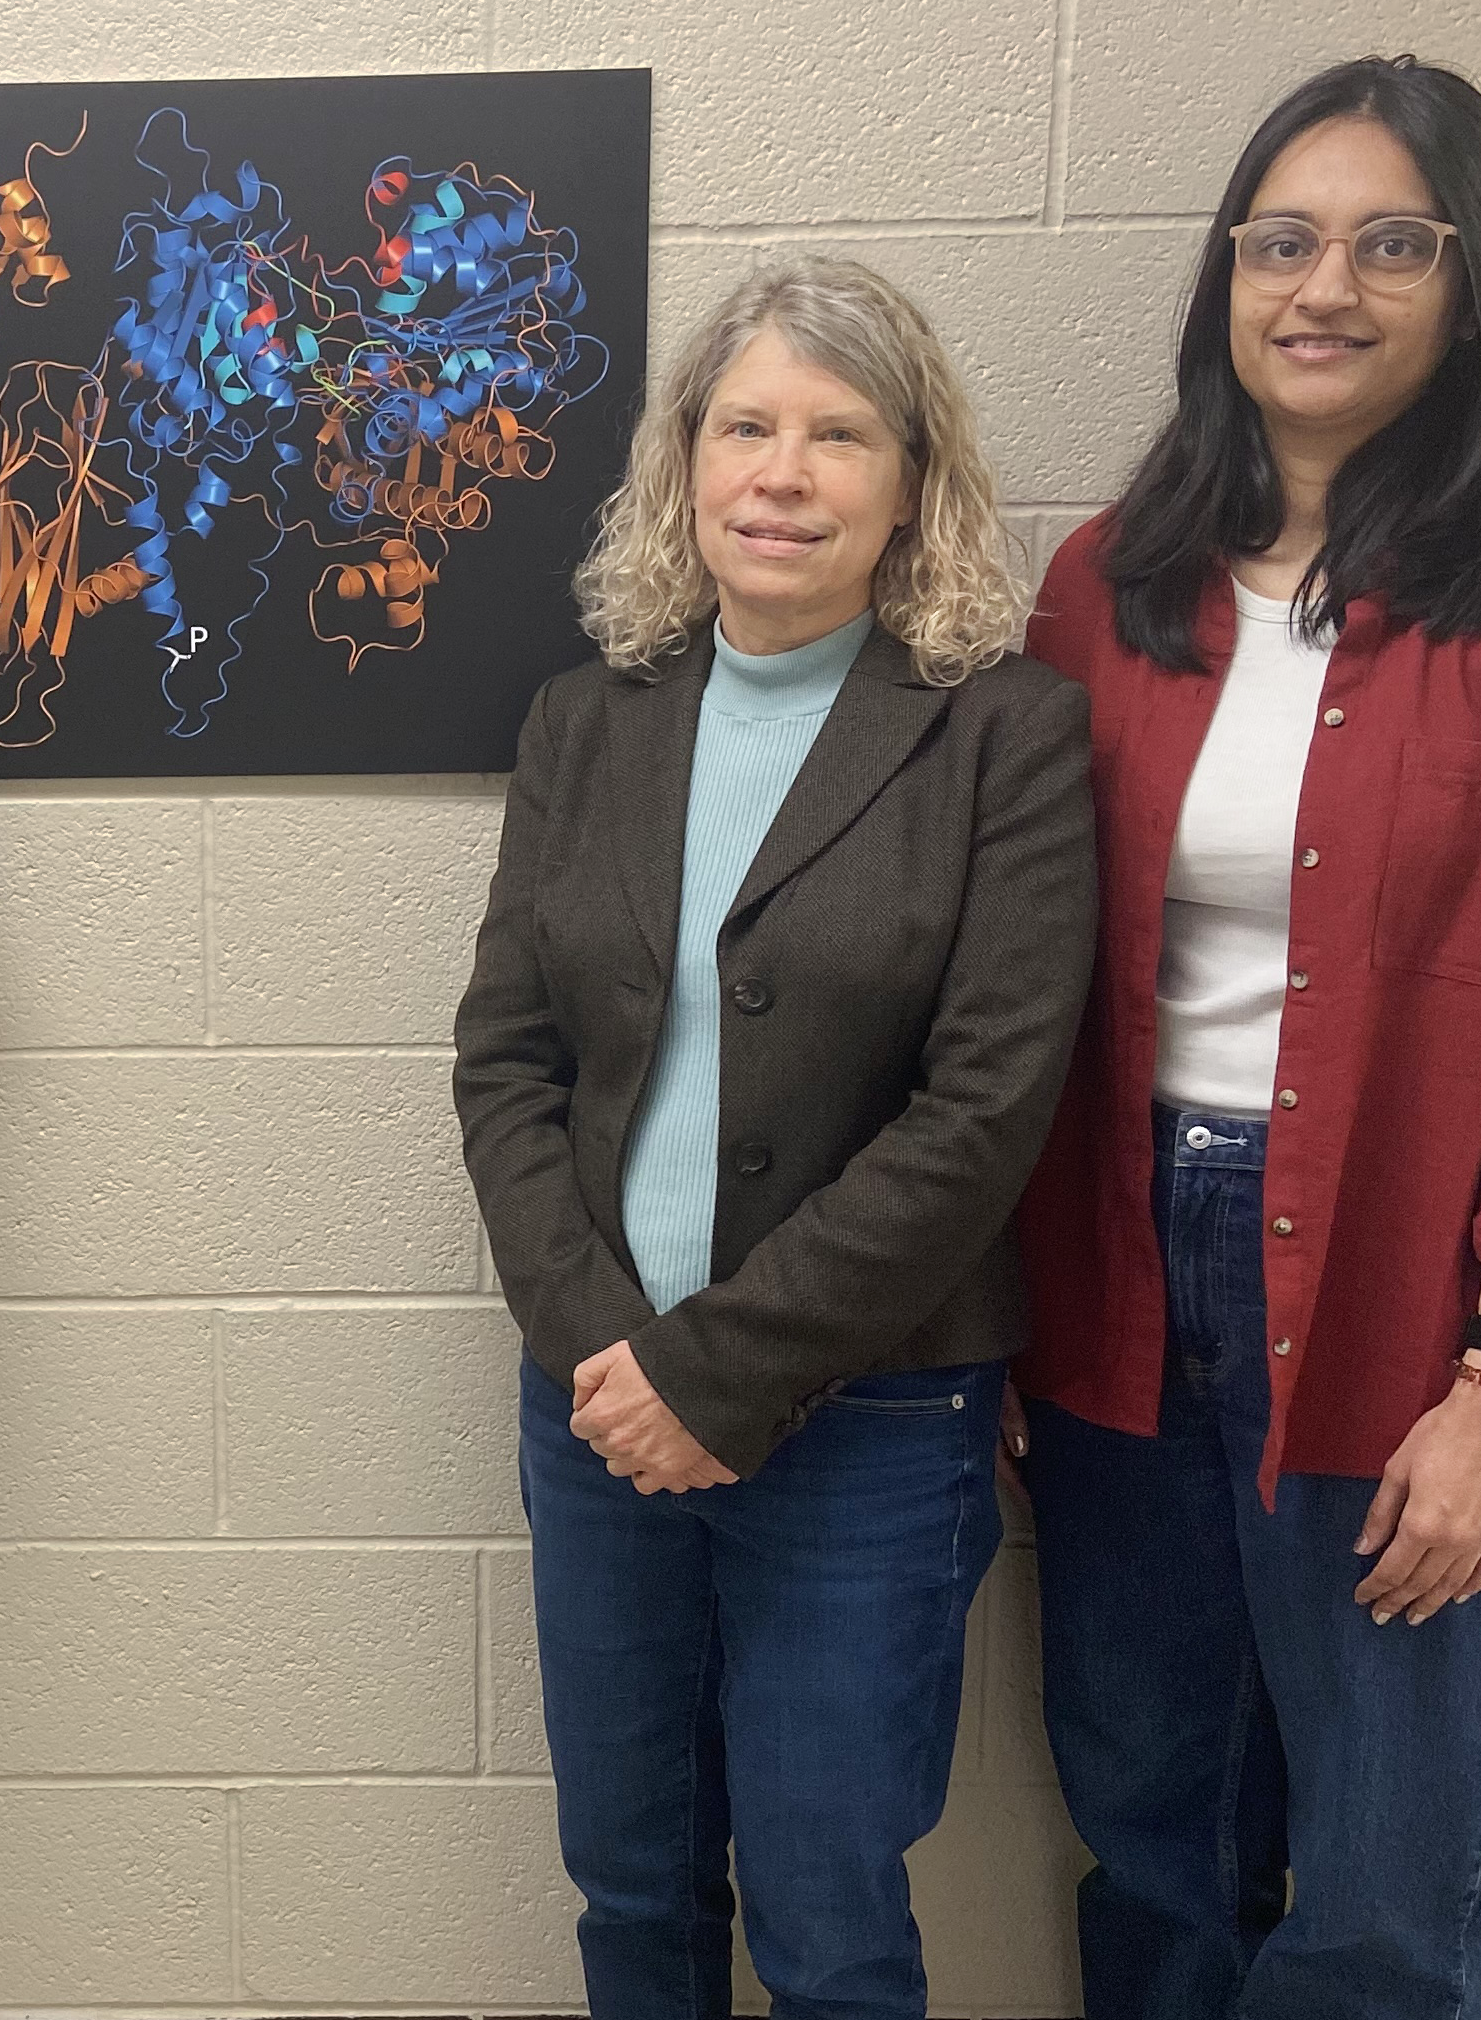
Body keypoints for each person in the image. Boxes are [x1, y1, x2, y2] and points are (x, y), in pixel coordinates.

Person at [1015, 55, 1481, 2017]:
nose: (1326, 284)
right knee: (1150, 1841)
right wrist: (1002, 1312)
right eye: (1285, 239)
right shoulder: (1111, 582)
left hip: (1419, 1299)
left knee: (1386, 1900)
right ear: (1228, 277)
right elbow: (1029, 988)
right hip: (1125, 1294)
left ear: (1472, 283)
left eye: (1392, 243)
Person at [453, 257, 1096, 2020]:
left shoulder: (1005, 735)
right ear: (683, 463)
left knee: (827, 1907)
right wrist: (602, 1346)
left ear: (913, 477)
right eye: (744, 426)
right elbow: (506, 1058)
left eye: (837, 432)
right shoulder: (588, 721)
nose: (782, 473)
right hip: (594, 1402)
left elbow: (986, 1114)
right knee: (633, 1882)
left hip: (871, 1420)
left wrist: (717, 1376)